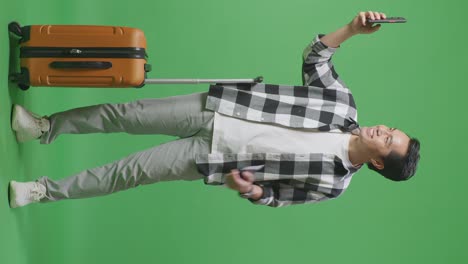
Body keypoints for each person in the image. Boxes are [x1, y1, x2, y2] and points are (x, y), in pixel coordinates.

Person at [8, 11, 420, 208]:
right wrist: (352, 29)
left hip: (213, 158)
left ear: (381, 164)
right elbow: (316, 59)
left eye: (388, 141)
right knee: (125, 113)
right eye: (390, 128)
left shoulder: (334, 184)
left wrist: (249, 189)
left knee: (126, 173)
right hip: (217, 109)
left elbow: (276, 197)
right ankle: (42, 127)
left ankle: (43, 191)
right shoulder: (342, 104)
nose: (382, 130)